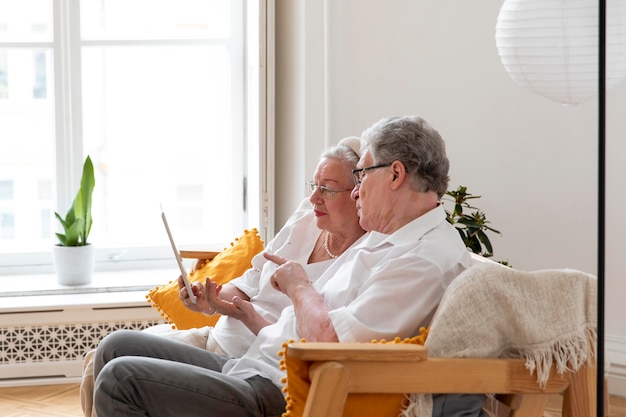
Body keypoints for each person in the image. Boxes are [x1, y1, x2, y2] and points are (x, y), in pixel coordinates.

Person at [93, 115, 472, 417]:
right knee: (115, 346)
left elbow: (330, 346)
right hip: (259, 363)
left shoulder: (423, 259)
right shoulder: (387, 237)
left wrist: (298, 285)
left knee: (119, 379)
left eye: (362, 175)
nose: (357, 191)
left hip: (280, 392)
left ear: (395, 175)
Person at [79, 137, 366, 417]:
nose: (313, 198)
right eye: (314, 186)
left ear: (358, 196)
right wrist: (211, 300)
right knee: (111, 346)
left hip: (255, 362)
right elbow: (252, 278)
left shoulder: (359, 261)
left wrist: (251, 314)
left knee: (118, 377)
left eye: (326, 190)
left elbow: (306, 341)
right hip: (222, 340)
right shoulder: (306, 223)